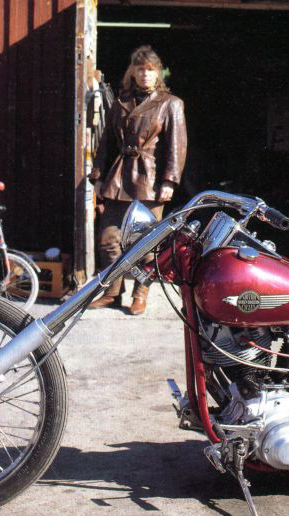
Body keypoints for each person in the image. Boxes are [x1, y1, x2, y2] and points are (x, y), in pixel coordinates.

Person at [87, 45, 187, 315]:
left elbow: (177, 146)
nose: (145, 74)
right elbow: (106, 144)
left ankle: (140, 294)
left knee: (145, 244)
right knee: (108, 239)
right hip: (118, 178)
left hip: (150, 181)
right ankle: (112, 293)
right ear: (132, 72)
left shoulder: (171, 103)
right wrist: (98, 177)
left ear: (158, 73)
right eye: (140, 69)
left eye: (150, 70)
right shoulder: (120, 103)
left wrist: (169, 181)